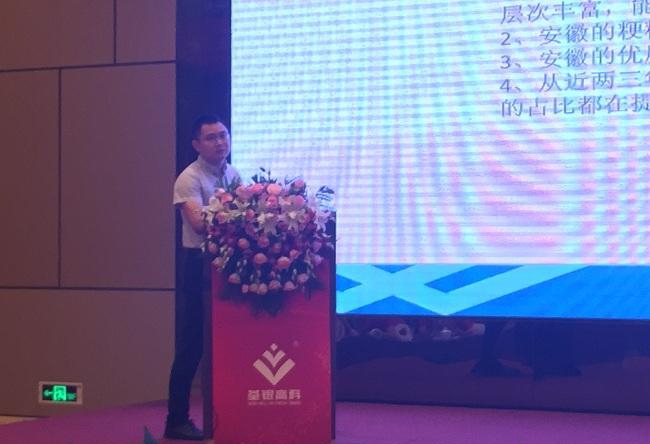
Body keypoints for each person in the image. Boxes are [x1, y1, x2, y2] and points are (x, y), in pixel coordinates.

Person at [165, 115, 241, 440]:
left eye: (223, 135)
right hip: (198, 265)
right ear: (197, 144)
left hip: (228, 264)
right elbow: (198, 224)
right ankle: (176, 420)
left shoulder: (233, 173)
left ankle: (233, 413)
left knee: (232, 341)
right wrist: (238, 216)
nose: (220, 142)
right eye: (211, 137)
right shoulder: (189, 178)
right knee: (192, 344)